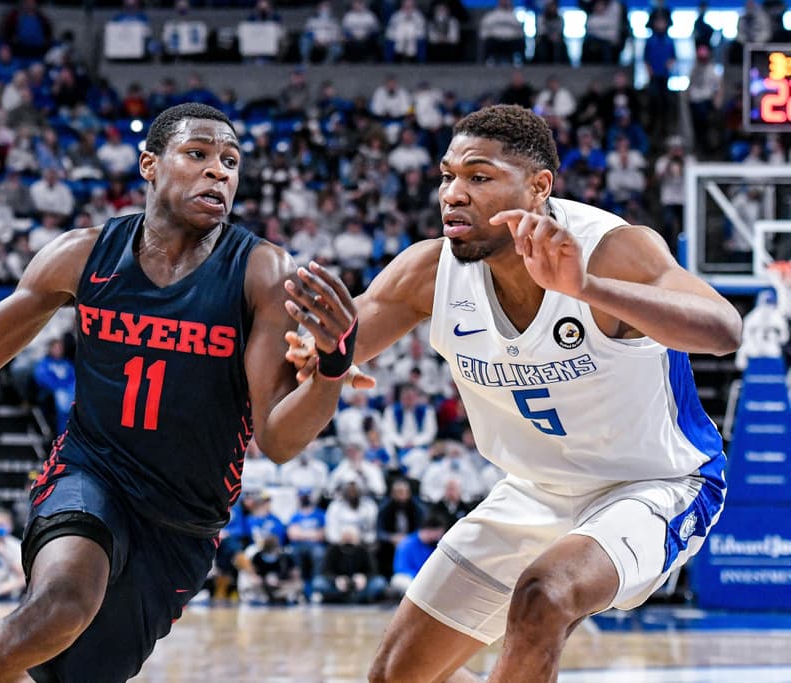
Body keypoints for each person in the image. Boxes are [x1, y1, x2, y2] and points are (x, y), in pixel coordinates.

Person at [0, 103, 357, 681]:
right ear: (149, 165)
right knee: (59, 606)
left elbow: (278, 438)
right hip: (90, 473)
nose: (217, 171)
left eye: (230, 161)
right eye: (198, 154)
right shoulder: (81, 254)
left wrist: (333, 367)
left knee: (70, 674)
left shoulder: (262, 272)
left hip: (182, 520)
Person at [286, 104, 741, 682]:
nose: (453, 194)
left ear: (539, 187)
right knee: (395, 676)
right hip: (533, 491)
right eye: (447, 176)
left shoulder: (610, 251)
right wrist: (320, 359)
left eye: (478, 177)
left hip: (656, 483)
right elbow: (335, 348)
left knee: (543, 595)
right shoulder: (429, 273)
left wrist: (587, 287)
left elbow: (723, 331)